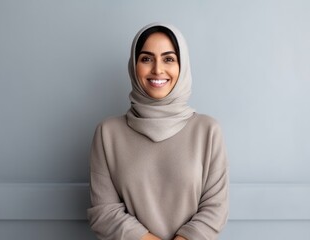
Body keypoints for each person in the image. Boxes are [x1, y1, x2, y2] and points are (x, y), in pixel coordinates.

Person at [87, 22, 229, 240]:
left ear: (182, 67)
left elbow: (215, 209)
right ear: (134, 66)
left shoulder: (207, 130)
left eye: (169, 59)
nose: (157, 69)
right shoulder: (108, 133)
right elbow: (105, 213)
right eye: (146, 59)